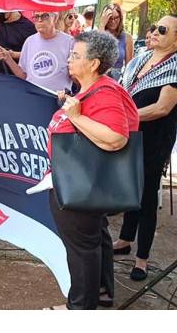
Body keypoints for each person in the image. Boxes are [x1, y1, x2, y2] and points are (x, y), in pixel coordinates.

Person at [46, 31, 139, 310]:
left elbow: (116, 138)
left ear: (94, 63)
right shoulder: (94, 90)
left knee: (81, 250)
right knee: (94, 240)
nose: (69, 59)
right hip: (83, 182)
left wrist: (76, 117)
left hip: (81, 184)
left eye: (76, 55)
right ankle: (100, 297)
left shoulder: (105, 91)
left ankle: (80, 309)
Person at [113, 14, 177, 281]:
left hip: (154, 141)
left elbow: (162, 108)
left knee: (146, 195)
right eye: (153, 27)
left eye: (162, 29)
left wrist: (124, 117)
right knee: (129, 188)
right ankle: (124, 240)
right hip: (130, 135)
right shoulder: (140, 58)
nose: (154, 32)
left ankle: (142, 259)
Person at [0, 11, 74, 92]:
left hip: (59, 100)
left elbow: (77, 75)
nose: (40, 20)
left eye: (45, 16)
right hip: (34, 97)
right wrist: (8, 58)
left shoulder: (69, 42)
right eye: (36, 17)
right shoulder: (29, 42)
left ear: (55, 18)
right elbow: (24, 76)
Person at [100, 3, 133, 80]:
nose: (113, 21)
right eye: (110, 18)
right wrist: (102, 25)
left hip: (116, 80)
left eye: (116, 18)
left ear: (120, 18)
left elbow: (129, 67)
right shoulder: (98, 33)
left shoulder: (127, 37)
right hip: (99, 77)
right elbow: (97, 53)